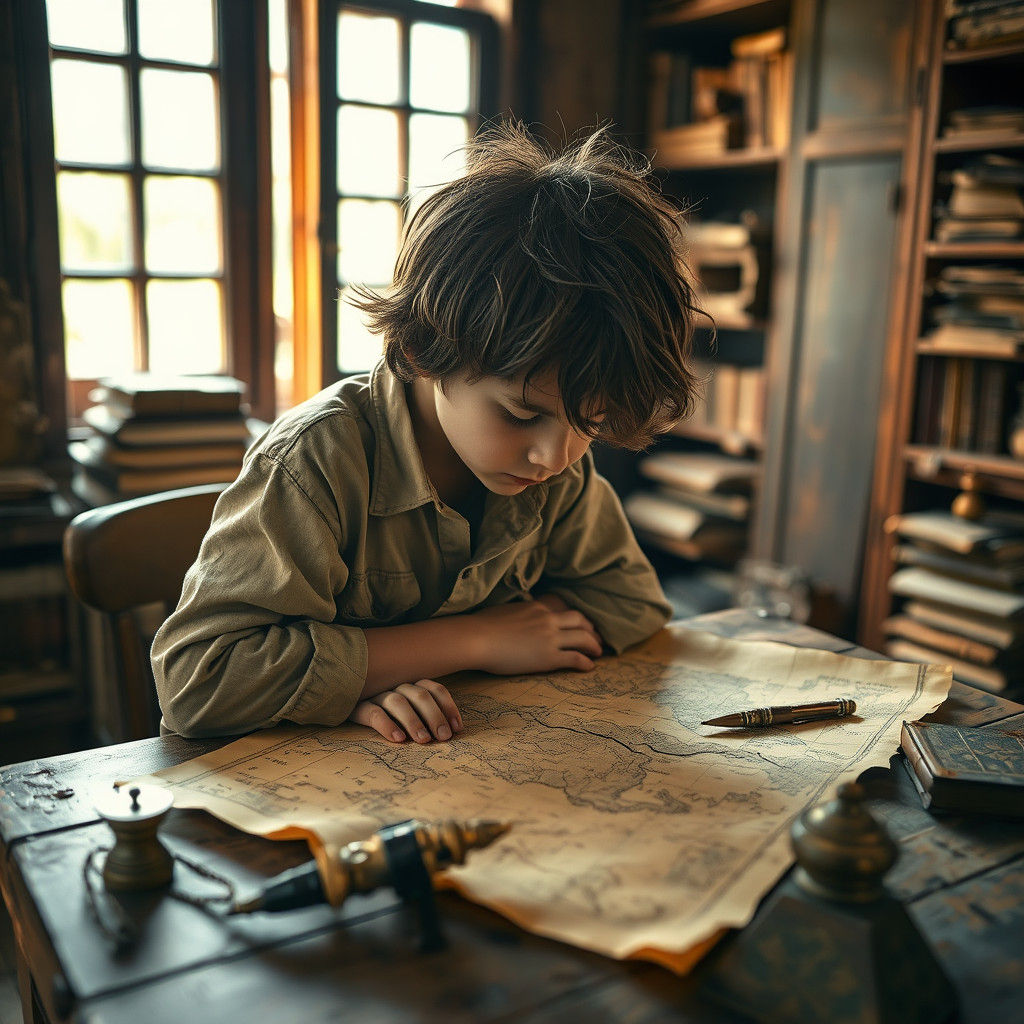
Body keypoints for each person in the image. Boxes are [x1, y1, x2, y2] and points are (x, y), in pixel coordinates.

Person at [152, 121, 701, 743]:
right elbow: (199, 681)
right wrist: (475, 640)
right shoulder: (317, 459)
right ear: (421, 350)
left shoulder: (554, 457)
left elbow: (631, 603)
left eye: (590, 423)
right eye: (520, 416)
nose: (556, 456)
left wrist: (367, 670)